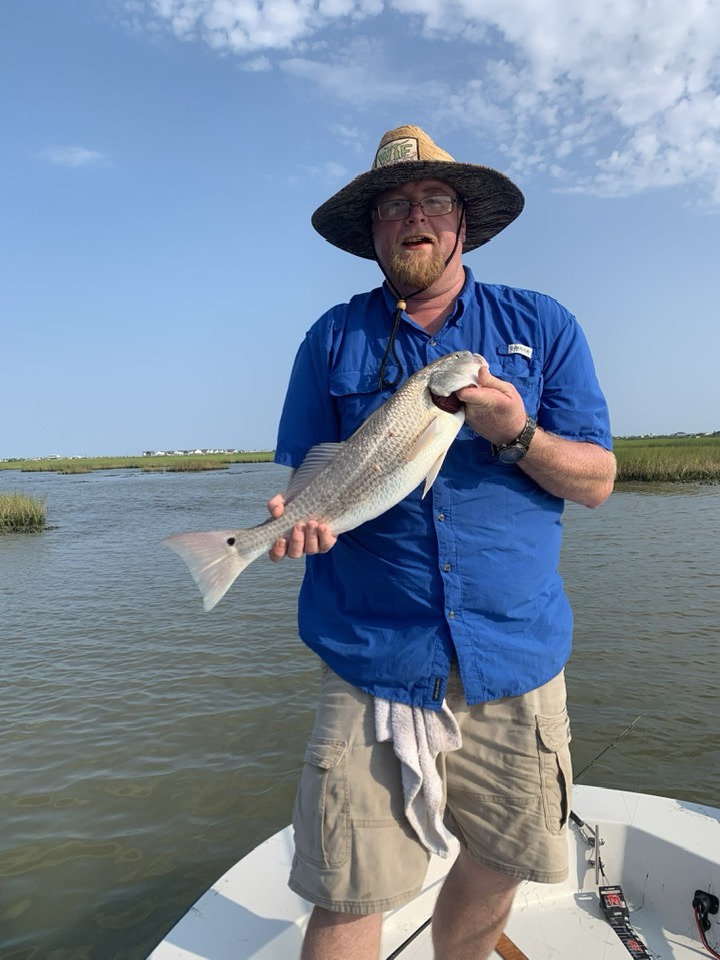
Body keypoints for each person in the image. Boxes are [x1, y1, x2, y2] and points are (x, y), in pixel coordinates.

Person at [267, 125, 616, 960]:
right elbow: (308, 475)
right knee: (348, 892)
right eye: (393, 205)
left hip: (516, 656)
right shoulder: (330, 338)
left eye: (433, 200)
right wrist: (290, 517)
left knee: (501, 864)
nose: (413, 216)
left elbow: (598, 480)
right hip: (371, 655)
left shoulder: (544, 324)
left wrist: (517, 431)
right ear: (373, 231)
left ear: (463, 222)